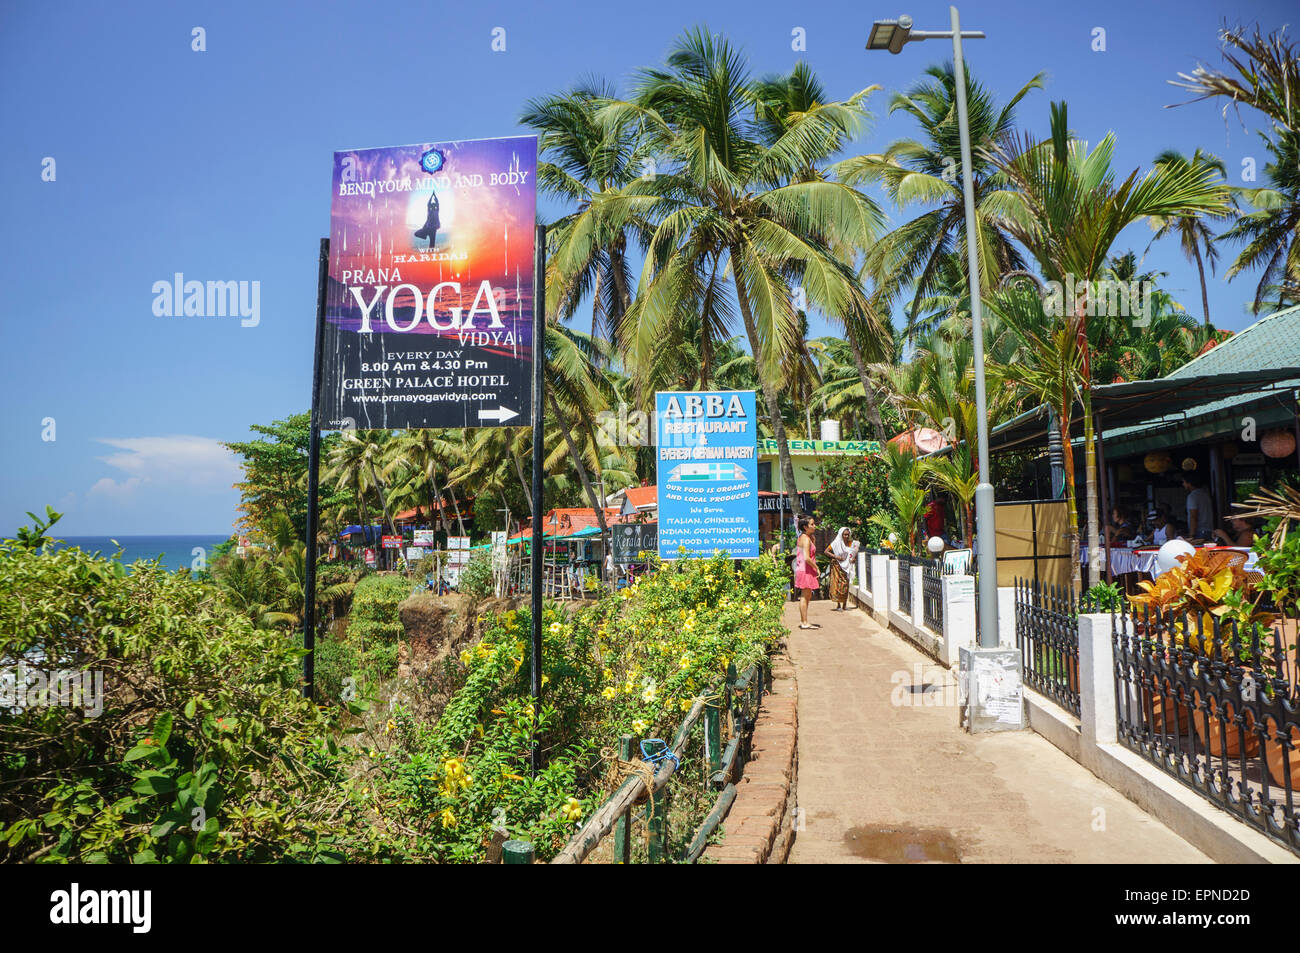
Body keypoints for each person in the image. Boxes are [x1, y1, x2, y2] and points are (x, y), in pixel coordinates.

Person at [793, 516, 820, 630]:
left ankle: (805, 621)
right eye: (812, 524)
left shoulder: (806, 537)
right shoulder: (805, 538)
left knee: (807, 595)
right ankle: (804, 622)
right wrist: (816, 567)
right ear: (805, 527)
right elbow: (807, 558)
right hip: (805, 569)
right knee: (804, 596)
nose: (814, 526)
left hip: (805, 569)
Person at [828, 527, 860, 611]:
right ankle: (838, 604)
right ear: (841, 534)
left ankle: (844, 605)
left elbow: (852, 554)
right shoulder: (836, 543)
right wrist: (836, 557)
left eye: (847, 534)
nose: (846, 536)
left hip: (847, 566)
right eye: (844, 534)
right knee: (837, 584)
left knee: (845, 584)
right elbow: (826, 551)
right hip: (837, 566)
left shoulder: (851, 543)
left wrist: (853, 559)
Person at [1182, 473, 1214, 540]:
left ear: (1189, 483)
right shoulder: (1205, 494)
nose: (1183, 484)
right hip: (1209, 529)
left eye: (1184, 482)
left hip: (1199, 531)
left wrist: (1191, 535)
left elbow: (1193, 516)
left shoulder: (1192, 496)